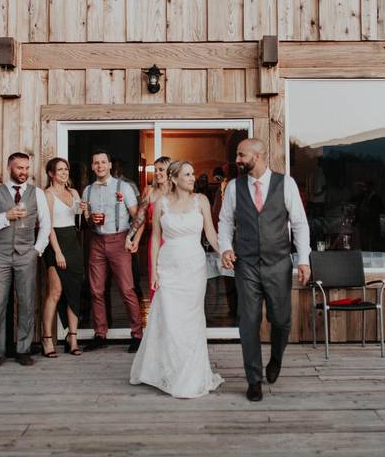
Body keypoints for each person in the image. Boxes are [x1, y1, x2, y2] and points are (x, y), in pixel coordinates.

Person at [218, 138, 310, 402]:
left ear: (257, 156)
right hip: (246, 264)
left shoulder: (286, 184)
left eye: (241, 155)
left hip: (279, 263)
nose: (237, 159)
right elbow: (225, 222)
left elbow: (300, 224)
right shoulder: (235, 188)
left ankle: (277, 358)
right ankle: (253, 379)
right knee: (248, 321)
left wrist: (303, 259)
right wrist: (225, 247)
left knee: (281, 320)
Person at [130, 160, 224, 398]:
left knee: (191, 320)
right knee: (169, 320)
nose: (193, 177)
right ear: (174, 178)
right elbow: (154, 239)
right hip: (168, 266)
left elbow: (211, 234)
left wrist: (226, 251)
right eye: (187, 174)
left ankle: (192, 373)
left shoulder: (201, 201)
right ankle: (170, 371)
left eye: (193, 173)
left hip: (193, 266)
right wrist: (154, 272)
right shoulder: (161, 202)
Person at [0, 153, 51, 368]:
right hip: (1, 255)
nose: (24, 172)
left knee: (27, 302)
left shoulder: (37, 193)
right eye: (19, 168)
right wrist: (6, 217)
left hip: (26, 255)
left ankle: (23, 350)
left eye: (27, 168)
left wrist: (36, 251)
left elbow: (46, 225)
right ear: (9, 168)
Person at [80, 149, 142, 352]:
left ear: (109, 165)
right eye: (96, 163)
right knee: (96, 290)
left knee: (127, 289)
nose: (99, 166)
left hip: (119, 240)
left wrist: (132, 239)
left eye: (103, 162)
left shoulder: (123, 187)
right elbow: (87, 221)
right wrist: (91, 219)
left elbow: (138, 217)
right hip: (96, 241)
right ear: (92, 166)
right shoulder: (87, 191)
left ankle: (137, 335)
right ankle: (100, 334)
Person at [42, 157, 84, 357]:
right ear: (51, 173)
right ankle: (47, 339)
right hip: (55, 243)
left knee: (74, 291)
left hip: (73, 242)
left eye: (66, 169)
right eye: (59, 170)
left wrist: (85, 211)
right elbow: (48, 226)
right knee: (55, 292)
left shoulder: (74, 192)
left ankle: (72, 337)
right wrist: (57, 252)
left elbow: (80, 220)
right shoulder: (47, 194)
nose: (64, 173)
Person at [127, 156, 172, 300]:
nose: (157, 173)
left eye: (161, 170)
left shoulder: (178, 191)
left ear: (170, 172)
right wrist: (132, 237)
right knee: (157, 283)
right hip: (157, 243)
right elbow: (140, 218)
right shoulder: (150, 191)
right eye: (155, 169)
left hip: (173, 241)